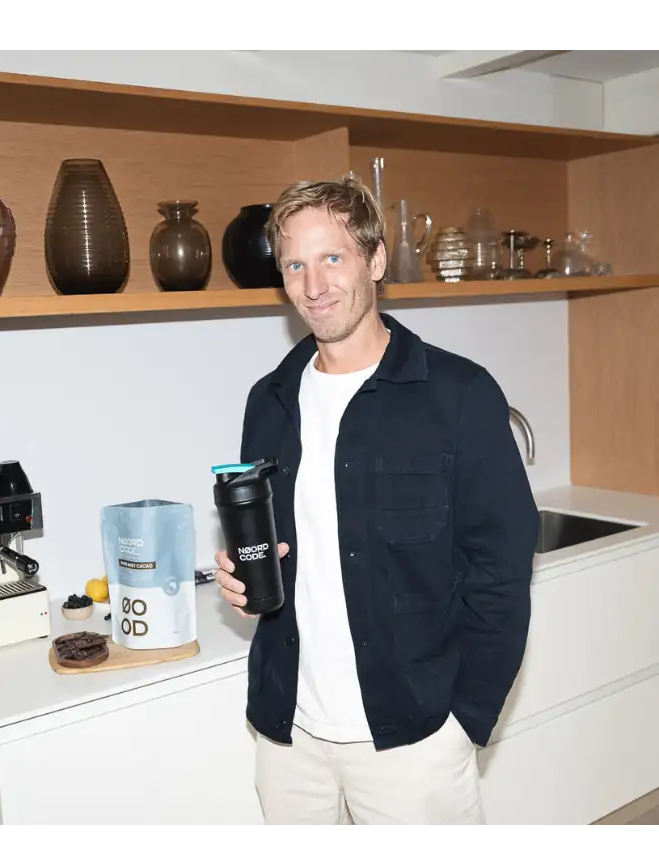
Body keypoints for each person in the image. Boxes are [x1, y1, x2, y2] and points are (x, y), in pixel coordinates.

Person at [214, 175, 540, 832]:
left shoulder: (459, 395)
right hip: (290, 736)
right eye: (295, 265)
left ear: (377, 260)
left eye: (332, 258)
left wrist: (464, 722)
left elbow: (502, 571)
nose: (314, 285)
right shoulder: (268, 401)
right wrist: (243, 584)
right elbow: (279, 551)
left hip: (413, 742)